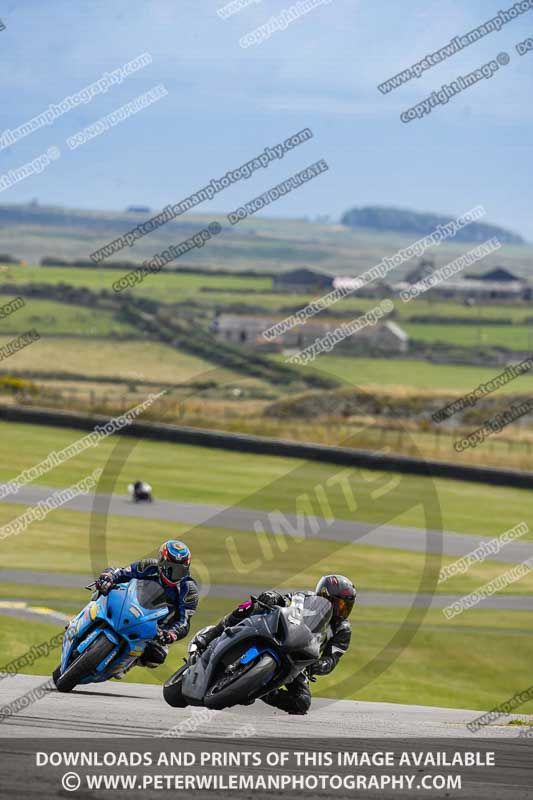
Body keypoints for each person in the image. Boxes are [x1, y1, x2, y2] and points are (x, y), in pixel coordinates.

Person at [192, 574, 356, 715]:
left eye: (346, 606)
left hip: (300, 658)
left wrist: (323, 664)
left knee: (302, 702)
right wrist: (274, 596)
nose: (341, 610)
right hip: (282, 634)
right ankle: (214, 633)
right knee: (253, 605)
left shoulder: (343, 630)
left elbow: (332, 657)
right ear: (324, 595)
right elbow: (285, 600)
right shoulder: (305, 597)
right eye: (338, 604)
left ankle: (257, 691)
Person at [95, 540, 199, 671]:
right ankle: (89, 615)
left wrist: (170, 634)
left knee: (157, 656)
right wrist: (108, 577)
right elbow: (123, 573)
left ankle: (128, 663)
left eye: (180, 570)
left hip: (155, 628)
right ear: (161, 562)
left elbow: (184, 622)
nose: (174, 574)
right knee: (104, 589)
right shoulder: (148, 566)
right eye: (171, 567)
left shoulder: (189, 589)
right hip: (130, 607)